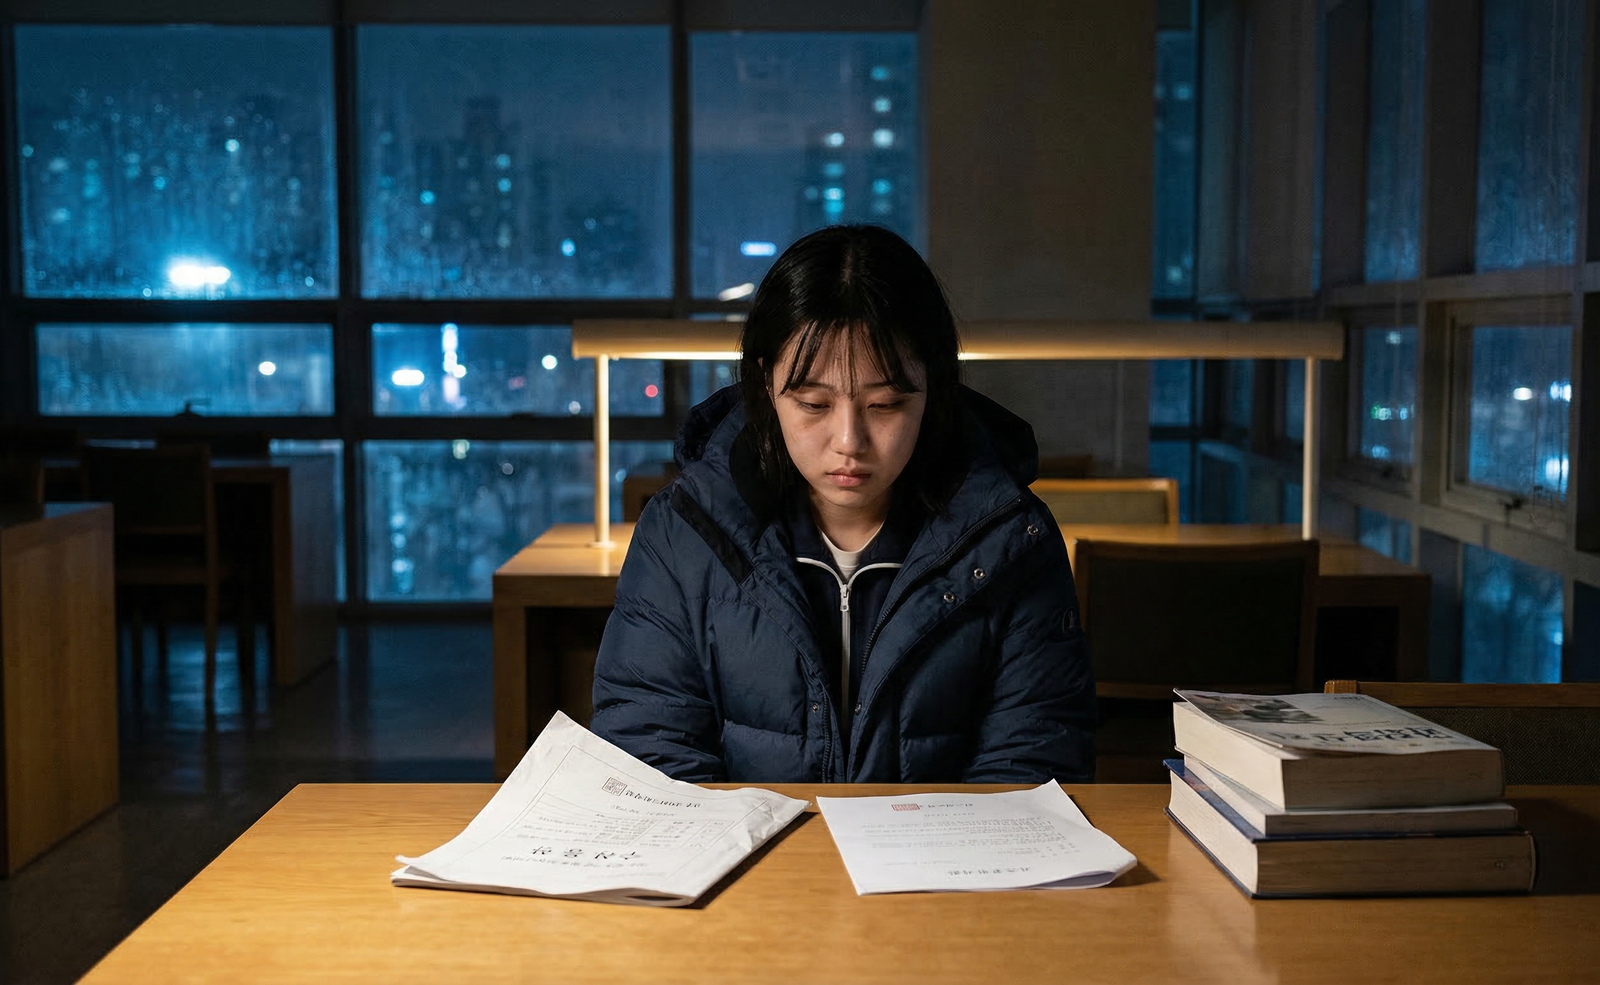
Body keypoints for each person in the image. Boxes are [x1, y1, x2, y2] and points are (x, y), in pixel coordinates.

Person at [590, 224, 1095, 783]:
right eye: (812, 403)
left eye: (885, 405)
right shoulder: (686, 531)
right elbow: (649, 752)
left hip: (938, 868)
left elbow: (1034, 759)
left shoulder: (1010, 540)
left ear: (933, 387)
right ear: (766, 382)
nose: (849, 442)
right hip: (758, 867)